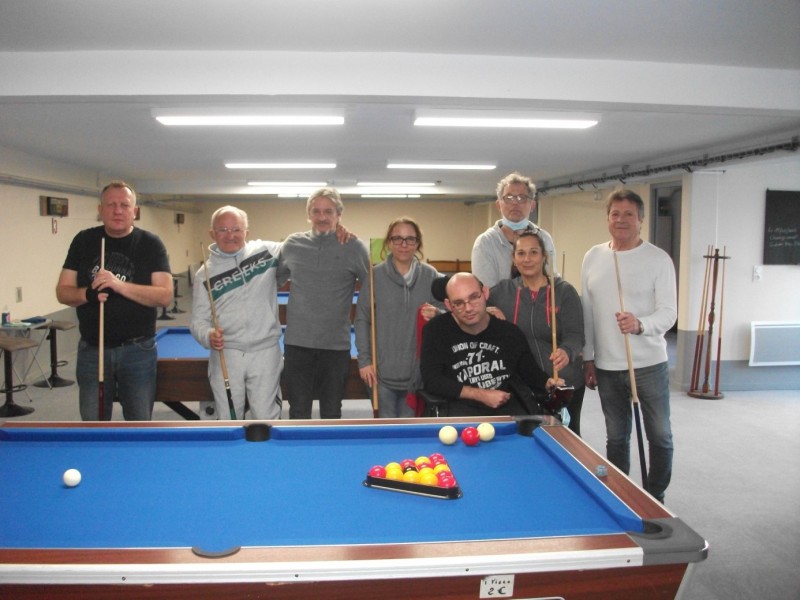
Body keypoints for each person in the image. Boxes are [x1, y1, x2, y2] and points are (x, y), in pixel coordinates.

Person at [581, 189, 677, 503]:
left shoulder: (658, 259)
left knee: (660, 435)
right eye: (615, 214)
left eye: (629, 215)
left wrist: (640, 324)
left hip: (648, 364)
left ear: (641, 220)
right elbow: (587, 313)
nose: (621, 220)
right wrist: (588, 357)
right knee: (616, 438)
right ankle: (620, 494)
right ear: (608, 218)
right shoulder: (593, 256)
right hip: (607, 366)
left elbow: (669, 313)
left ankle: (655, 496)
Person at [56, 180, 172, 421]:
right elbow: (63, 292)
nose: (117, 211)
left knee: (139, 422)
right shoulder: (84, 240)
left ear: (134, 211)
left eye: (124, 205)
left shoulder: (150, 244)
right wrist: (88, 294)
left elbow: (164, 296)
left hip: (138, 350)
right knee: (94, 423)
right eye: (110, 205)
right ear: (100, 210)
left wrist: (118, 285)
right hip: (92, 349)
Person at [278, 187, 370, 419]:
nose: (322, 217)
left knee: (331, 412)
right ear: (308, 214)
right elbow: (272, 279)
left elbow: (372, 289)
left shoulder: (354, 247)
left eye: (328, 211)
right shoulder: (292, 244)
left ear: (339, 215)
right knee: (298, 412)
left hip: (335, 347)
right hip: (297, 345)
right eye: (316, 211)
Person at [420, 273, 561, 417]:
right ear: (449, 305)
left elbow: (530, 372)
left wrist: (548, 383)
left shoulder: (510, 332)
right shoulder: (436, 330)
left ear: (485, 293)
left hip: (508, 411)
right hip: (461, 412)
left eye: (474, 297)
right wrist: (481, 395)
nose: (468, 308)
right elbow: (432, 380)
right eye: (459, 303)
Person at [488, 231, 586, 434]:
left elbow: (576, 336)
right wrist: (487, 312)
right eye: (521, 253)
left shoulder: (564, 291)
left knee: (566, 439)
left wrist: (566, 351)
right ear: (514, 259)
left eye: (533, 252)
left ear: (544, 257)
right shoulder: (503, 291)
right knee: (525, 438)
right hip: (524, 385)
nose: (527, 259)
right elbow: (471, 308)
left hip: (562, 382)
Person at [190, 206, 283, 420]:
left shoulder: (267, 252)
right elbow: (197, 321)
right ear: (212, 233)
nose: (230, 235)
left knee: (266, 417)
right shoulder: (204, 274)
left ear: (246, 232)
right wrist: (208, 335)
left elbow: (301, 246)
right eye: (223, 229)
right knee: (229, 418)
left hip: (266, 351)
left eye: (236, 229)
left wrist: (333, 230)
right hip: (226, 353)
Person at [355, 217, 441, 418]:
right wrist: (364, 361)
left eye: (410, 239)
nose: (404, 244)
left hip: (418, 375)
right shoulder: (374, 276)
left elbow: (448, 313)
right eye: (397, 238)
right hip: (380, 375)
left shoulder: (431, 275)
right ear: (389, 242)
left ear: (417, 243)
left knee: (410, 430)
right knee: (386, 430)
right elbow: (362, 320)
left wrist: (438, 313)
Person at [471, 172, 557, 288]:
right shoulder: (485, 243)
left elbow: (552, 282)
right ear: (499, 205)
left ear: (532, 205)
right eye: (509, 198)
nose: (515, 203)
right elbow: (485, 291)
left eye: (521, 198)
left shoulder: (544, 238)